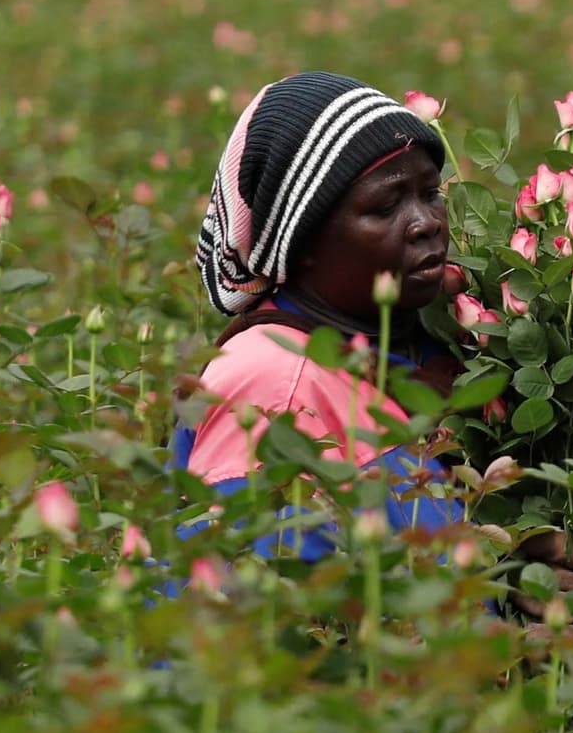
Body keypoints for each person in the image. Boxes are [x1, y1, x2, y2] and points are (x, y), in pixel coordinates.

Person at [174, 73, 469, 545]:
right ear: (301, 243)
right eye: (386, 206)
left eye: (430, 194)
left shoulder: (428, 336)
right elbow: (257, 600)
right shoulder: (274, 387)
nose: (426, 223)